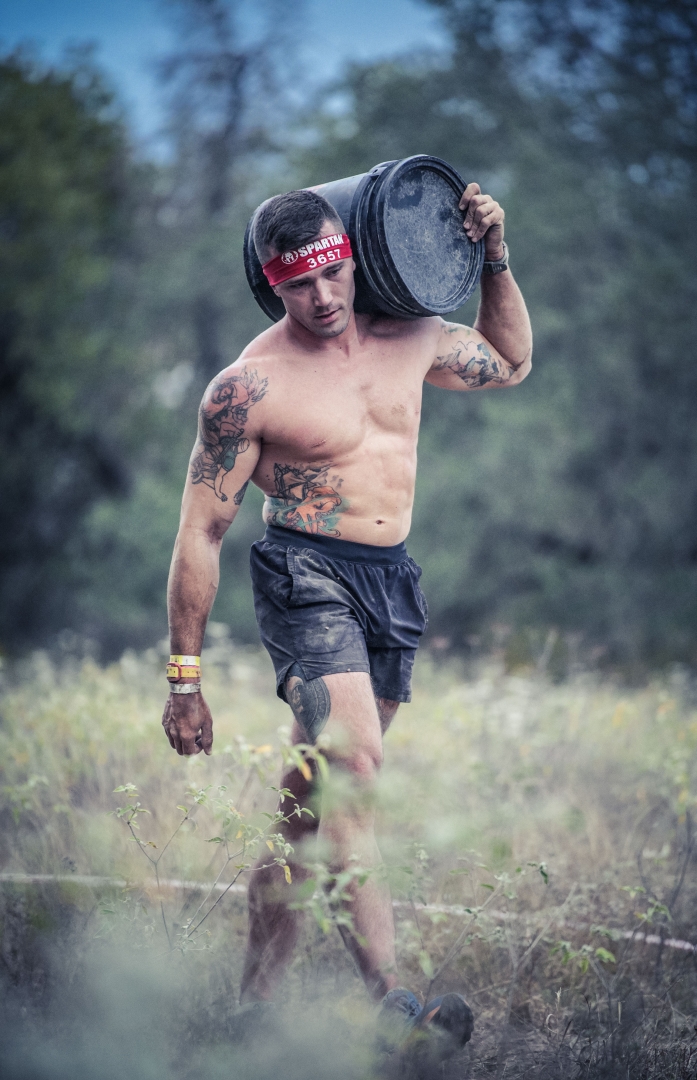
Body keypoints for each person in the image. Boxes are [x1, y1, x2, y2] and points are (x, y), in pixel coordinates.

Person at [161, 180, 532, 1050]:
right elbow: (200, 533)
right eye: (299, 284)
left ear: (354, 255)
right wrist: (184, 680)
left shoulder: (414, 336)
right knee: (354, 768)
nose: (322, 297)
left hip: (391, 580)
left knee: (306, 807)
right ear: (271, 282)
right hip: (305, 573)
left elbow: (510, 362)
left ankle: (252, 1010)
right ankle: (395, 1004)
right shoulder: (246, 389)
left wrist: (495, 257)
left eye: (331, 273)